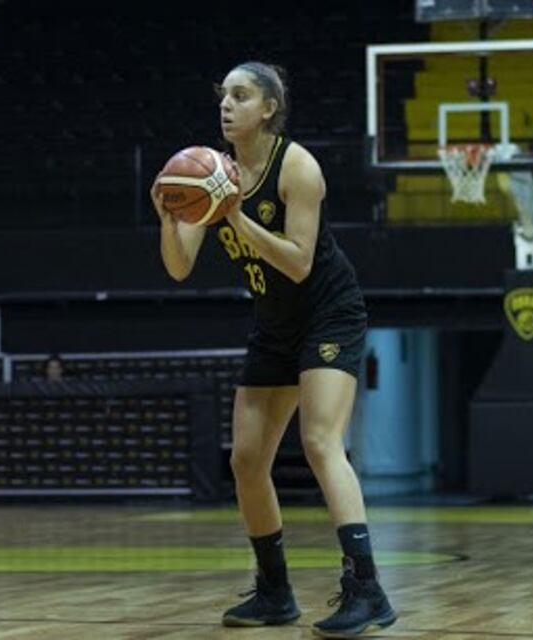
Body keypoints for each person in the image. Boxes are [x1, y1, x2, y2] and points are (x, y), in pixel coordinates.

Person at [150, 61, 396, 638]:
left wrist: (234, 211)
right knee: (246, 460)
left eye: (240, 95)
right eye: (222, 96)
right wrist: (169, 217)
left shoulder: (298, 166)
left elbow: (298, 260)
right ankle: (275, 591)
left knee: (319, 440)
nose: (226, 105)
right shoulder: (211, 173)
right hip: (275, 323)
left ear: (269, 109)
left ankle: (367, 588)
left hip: (329, 312)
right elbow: (179, 267)